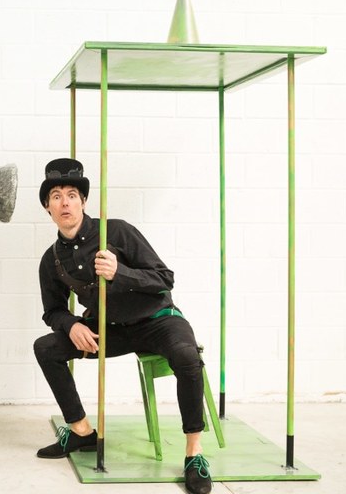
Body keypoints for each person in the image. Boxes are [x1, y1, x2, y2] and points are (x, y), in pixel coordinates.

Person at [33, 158, 212, 494]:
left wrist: (121, 273)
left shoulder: (116, 232)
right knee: (46, 347)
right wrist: (70, 325)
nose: (65, 202)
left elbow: (165, 279)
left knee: (187, 357)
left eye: (72, 195)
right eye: (56, 196)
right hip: (110, 330)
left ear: (84, 201)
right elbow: (52, 310)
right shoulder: (52, 259)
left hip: (158, 321)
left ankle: (194, 453)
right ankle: (82, 432)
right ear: (47, 207)